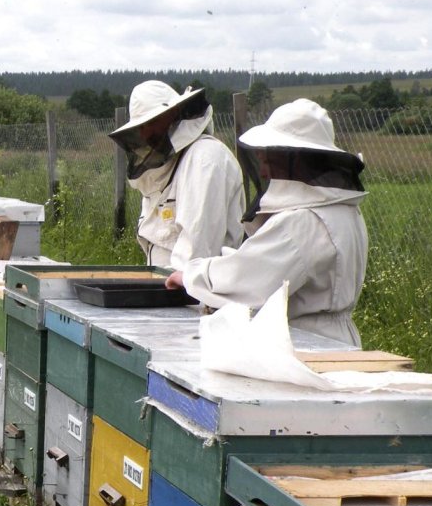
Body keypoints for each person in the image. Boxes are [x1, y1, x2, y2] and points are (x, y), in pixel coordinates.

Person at [165, 98, 368, 346]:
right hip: (337, 341)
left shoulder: (303, 221)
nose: (264, 171)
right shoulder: (343, 211)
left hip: (306, 343)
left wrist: (189, 275)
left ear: (296, 157)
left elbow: (247, 281)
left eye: (271, 157)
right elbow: (265, 261)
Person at [108, 81, 245, 270]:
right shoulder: (165, 168)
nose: (146, 133)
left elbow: (196, 254)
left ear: (174, 114)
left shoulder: (205, 159)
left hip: (197, 294)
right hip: (164, 286)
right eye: (141, 127)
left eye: (153, 122)